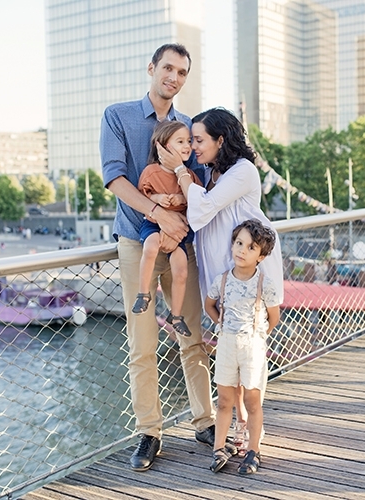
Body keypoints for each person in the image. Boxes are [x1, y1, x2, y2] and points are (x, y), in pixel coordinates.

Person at [100, 43, 217, 472]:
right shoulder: (118, 116)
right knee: (143, 344)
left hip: (183, 243)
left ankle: (205, 422)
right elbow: (113, 176)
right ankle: (150, 432)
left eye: (183, 72)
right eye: (168, 67)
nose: (174, 76)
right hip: (138, 240)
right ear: (151, 68)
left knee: (192, 338)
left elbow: (202, 183)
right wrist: (157, 213)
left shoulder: (190, 127)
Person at [159, 107, 284, 455]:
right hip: (224, 278)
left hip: (249, 276)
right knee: (230, 361)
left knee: (250, 363)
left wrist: (181, 170)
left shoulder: (242, 171)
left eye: (200, 140)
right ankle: (239, 432)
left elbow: (201, 211)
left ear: (220, 140)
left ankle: (250, 438)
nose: (194, 146)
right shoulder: (212, 173)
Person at [204, 219, 280, 474]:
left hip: (253, 348)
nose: (242, 251)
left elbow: (274, 316)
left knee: (252, 401)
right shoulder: (222, 280)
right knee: (225, 400)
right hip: (226, 344)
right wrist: (222, 324)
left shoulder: (264, 284)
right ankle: (218, 448)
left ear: (261, 255)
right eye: (239, 243)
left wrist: (258, 335)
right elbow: (209, 305)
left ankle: (253, 450)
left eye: (250, 247)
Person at [131, 121, 203, 338]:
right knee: (151, 247)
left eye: (189, 141)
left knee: (181, 270)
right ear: (162, 146)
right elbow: (143, 196)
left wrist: (181, 197)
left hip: (179, 229)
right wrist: (159, 198)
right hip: (153, 223)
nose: (187, 146)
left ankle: (176, 315)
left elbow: (196, 199)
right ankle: (143, 293)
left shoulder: (188, 174)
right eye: (180, 142)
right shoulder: (151, 172)